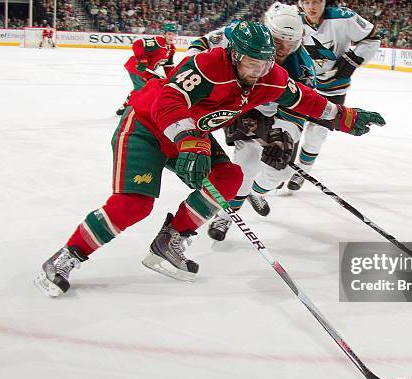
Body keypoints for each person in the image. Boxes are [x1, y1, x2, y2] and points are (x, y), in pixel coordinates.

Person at [34, 21, 385, 297]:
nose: (260, 70)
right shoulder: (208, 65)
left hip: (189, 137)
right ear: (234, 54)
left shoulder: (271, 77)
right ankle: (65, 258)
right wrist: (188, 140)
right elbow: (166, 102)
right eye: (252, 62)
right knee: (134, 204)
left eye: (266, 63)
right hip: (146, 128)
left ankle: (169, 241)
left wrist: (346, 117)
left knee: (229, 177)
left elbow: (305, 100)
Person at [189, 3, 317, 241]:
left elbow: (299, 111)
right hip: (241, 105)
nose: (284, 49)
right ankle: (225, 216)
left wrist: (284, 135)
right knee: (246, 164)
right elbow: (200, 46)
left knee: (278, 174)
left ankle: (253, 191)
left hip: (274, 114)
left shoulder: (303, 68)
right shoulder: (244, 34)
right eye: (279, 42)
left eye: (292, 43)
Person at [285, 0, 380, 191]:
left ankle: (302, 171)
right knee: (288, 127)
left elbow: (372, 38)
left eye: (317, 1)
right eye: (308, 2)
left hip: (334, 88)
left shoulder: (344, 17)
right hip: (302, 85)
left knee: (317, 133)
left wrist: (351, 61)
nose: (312, 7)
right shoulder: (291, 19)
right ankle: (280, 168)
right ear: (300, 3)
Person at [116, 23, 178, 115]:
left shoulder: (171, 49)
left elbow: (168, 65)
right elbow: (138, 44)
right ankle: (135, 111)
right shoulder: (158, 41)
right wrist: (142, 59)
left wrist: (172, 77)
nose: (171, 36)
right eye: (169, 34)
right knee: (145, 90)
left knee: (143, 88)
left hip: (148, 72)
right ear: (164, 34)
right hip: (137, 67)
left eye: (173, 34)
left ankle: (125, 106)